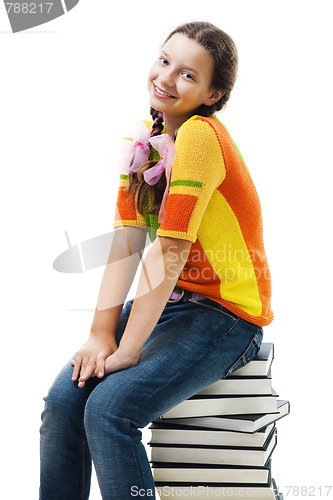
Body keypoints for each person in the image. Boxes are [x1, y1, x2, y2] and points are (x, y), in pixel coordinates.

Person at [39, 21, 273, 500]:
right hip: (172, 303)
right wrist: (101, 333)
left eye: (189, 75)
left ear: (214, 93)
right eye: (165, 61)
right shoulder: (147, 143)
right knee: (65, 402)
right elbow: (127, 242)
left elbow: (170, 249)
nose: (167, 78)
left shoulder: (202, 137)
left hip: (226, 316)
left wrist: (127, 351)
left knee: (109, 411)